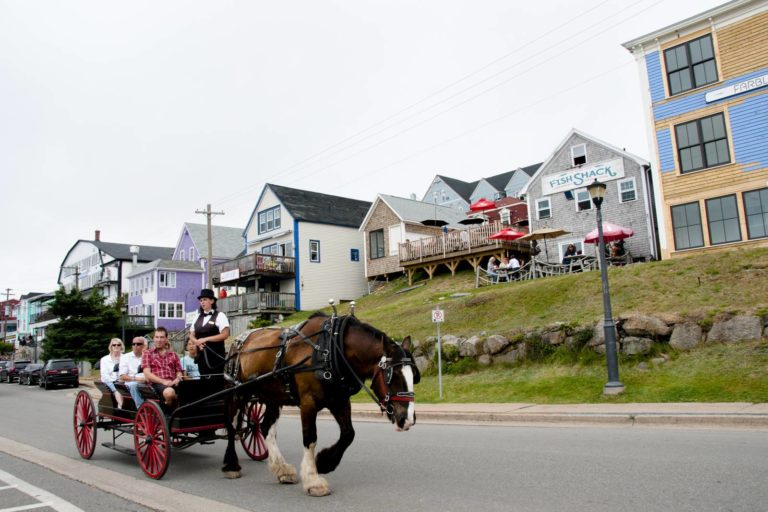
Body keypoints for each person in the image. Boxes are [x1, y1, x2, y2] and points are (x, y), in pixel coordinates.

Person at [189, 288, 231, 376]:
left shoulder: (220, 316)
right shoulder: (197, 316)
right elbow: (191, 334)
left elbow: (225, 334)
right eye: (201, 300)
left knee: (216, 382)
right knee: (203, 381)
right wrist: (197, 342)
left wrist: (205, 339)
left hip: (216, 356)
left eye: (205, 299)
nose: (202, 302)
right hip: (201, 356)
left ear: (212, 301)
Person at [142, 327, 183, 408]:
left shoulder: (173, 355)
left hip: (173, 382)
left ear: (166, 339)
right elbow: (147, 373)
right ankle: (170, 412)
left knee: (192, 391)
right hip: (156, 384)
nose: (159, 340)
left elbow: (179, 371)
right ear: (153, 338)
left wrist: (177, 379)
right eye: (157, 337)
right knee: (170, 392)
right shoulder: (148, 353)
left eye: (161, 337)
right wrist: (163, 381)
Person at [119, 336, 147, 407]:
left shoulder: (147, 356)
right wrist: (136, 379)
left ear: (143, 346)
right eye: (133, 344)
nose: (135, 346)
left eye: (138, 344)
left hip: (146, 380)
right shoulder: (125, 357)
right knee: (133, 385)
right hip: (131, 382)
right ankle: (141, 407)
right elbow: (122, 376)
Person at [100, 338, 124, 409]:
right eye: (114, 345)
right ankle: (121, 406)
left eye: (118, 345)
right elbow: (104, 375)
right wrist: (114, 380)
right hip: (109, 380)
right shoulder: (104, 359)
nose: (116, 346)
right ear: (111, 346)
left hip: (122, 380)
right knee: (117, 390)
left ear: (121, 346)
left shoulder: (125, 358)